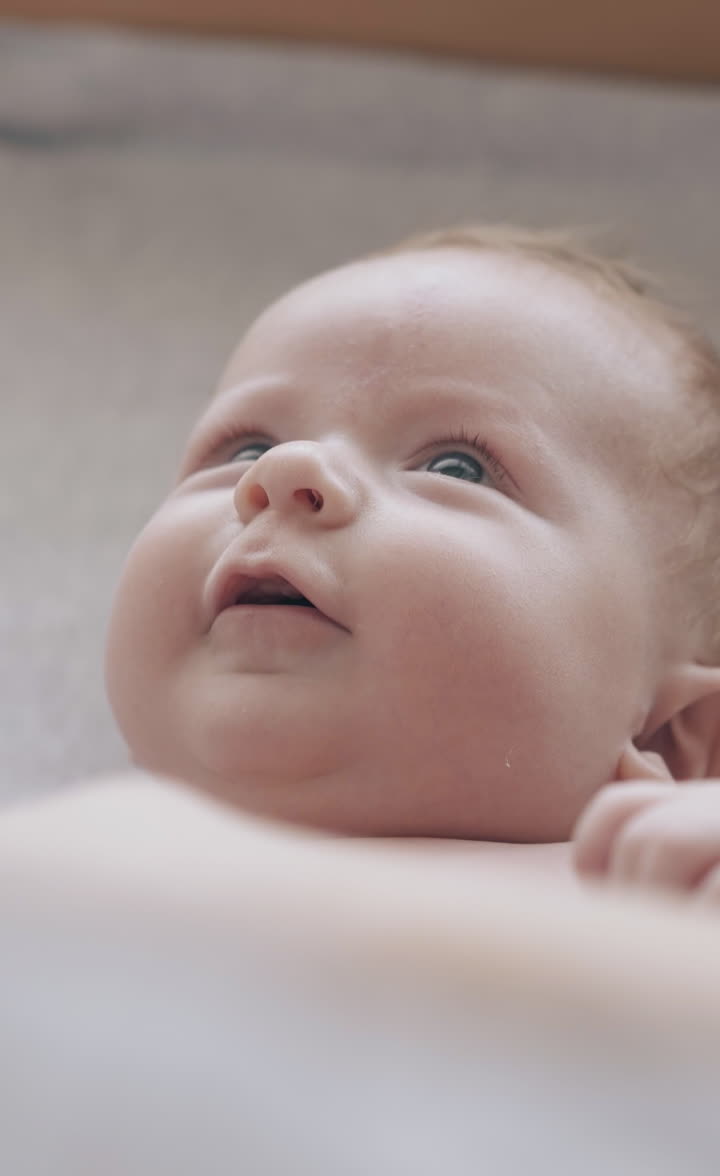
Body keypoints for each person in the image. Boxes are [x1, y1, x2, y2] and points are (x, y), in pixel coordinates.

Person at [103, 222, 720, 899]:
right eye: (245, 448)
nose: (285, 471)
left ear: (667, 735)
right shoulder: (76, 873)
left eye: (455, 466)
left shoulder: (651, 899)